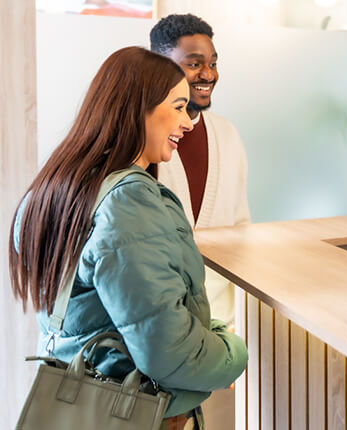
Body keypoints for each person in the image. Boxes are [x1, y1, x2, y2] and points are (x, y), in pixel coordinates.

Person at [8, 46, 247, 429]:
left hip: (76, 405)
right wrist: (233, 348)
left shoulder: (56, 189)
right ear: (139, 108)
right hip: (140, 413)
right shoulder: (128, 202)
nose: (187, 122)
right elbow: (170, 354)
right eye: (179, 106)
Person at [150, 14, 250, 326]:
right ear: (158, 64)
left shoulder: (227, 134)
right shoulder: (143, 142)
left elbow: (242, 228)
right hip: (162, 323)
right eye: (194, 63)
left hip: (223, 321)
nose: (208, 74)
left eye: (213, 63)